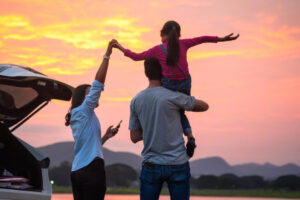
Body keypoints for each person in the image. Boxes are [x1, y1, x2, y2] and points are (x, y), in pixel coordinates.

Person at [114, 20, 239, 157]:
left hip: (168, 83)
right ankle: (190, 135)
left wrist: (119, 46)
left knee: (174, 109)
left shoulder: (156, 49)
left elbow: (136, 57)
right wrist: (221, 39)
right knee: (180, 110)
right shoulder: (184, 43)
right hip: (185, 82)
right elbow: (203, 39)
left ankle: (176, 132)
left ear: (162, 33)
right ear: (179, 34)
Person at [129, 58, 209, 200]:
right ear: (165, 72)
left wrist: (151, 127)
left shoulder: (136, 100)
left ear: (146, 73)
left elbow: (134, 137)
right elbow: (204, 106)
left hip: (151, 164)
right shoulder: (173, 96)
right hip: (177, 163)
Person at [65, 40, 119, 200]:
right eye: (90, 93)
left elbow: (89, 146)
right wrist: (107, 54)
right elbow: (98, 84)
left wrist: (106, 137)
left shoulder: (80, 115)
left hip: (77, 171)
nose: (95, 95)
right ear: (83, 97)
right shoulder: (84, 110)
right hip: (91, 171)